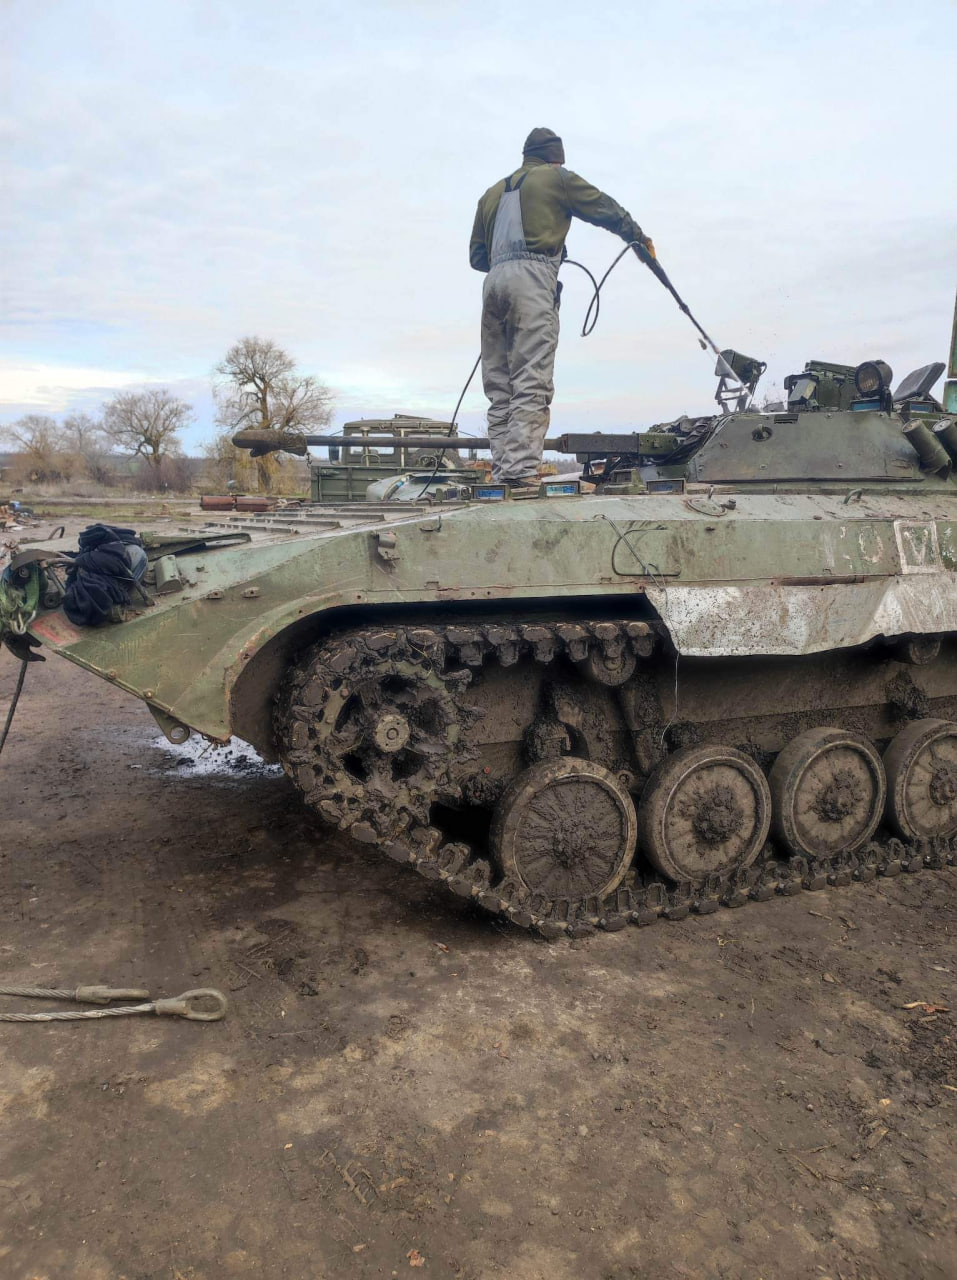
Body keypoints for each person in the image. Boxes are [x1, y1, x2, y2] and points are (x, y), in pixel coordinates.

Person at [470, 127, 654, 492]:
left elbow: (477, 258)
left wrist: (511, 259)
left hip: (493, 284)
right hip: (532, 280)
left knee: (499, 384)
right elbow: (605, 208)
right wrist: (638, 237)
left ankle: (506, 469)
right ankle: (521, 471)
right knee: (530, 378)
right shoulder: (557, 178)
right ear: (556, 158)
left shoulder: (490, 194)